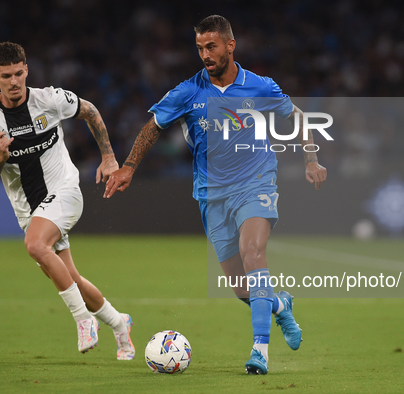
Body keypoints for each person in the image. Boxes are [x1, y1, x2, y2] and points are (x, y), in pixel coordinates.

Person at [104, 15, 327, 374]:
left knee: (253, 252)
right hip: (211, 193)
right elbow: (153, 126)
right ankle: (280, 306)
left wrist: (311, 158)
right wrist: (129, 166)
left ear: (229, 46)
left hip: (256, 181)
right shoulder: (187, 91)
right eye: (199, 48)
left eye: (211, 46)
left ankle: (260, 351)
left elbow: (297, 116)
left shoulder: (260, 87)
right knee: (241, 287)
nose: (205, 54)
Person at [0, 42, 135, 360]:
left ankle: (84, 321)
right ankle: (120, 324)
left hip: (64, 190)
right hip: (29, 210)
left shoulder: (49, 98)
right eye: (6, 76)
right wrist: (1, 156)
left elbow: (90, 111)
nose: (14, 81)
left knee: (35, 245)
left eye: (19, 73)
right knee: (69, 276)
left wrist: (108, 156)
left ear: (26, 70)